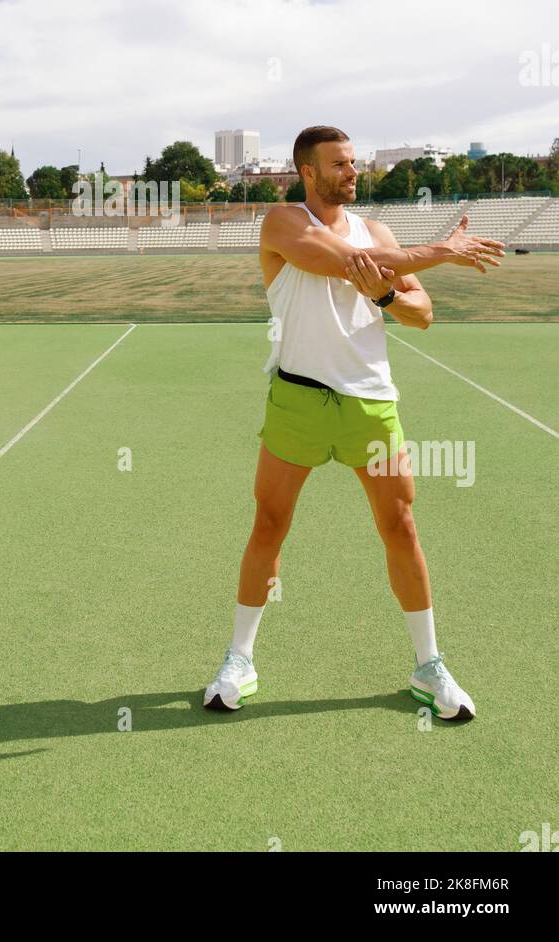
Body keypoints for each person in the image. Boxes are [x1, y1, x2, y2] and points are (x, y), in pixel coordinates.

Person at [204, 125, 504, 721]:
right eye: (339, 164)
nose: (352, 172)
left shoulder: (380, 230)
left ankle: (428, 666)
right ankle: (239, 658)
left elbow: (422, 313)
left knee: (401, 527)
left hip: (371, 402)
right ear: (307, 172)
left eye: (354, 162)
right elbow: (350, 264)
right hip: (297, 400)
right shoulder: (284, 223)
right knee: (269, 526)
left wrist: (389, 298)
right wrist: (442, 251)